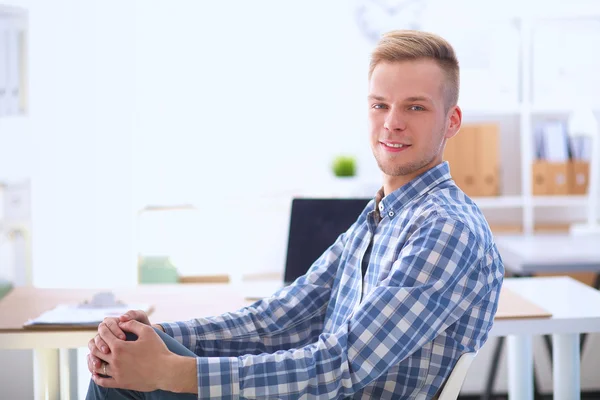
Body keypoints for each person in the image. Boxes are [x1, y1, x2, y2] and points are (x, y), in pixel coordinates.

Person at [86, 29, 504, 399]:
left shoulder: (445, 227)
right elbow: (275, 321)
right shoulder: (381, 216)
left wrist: (172, 370)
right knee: (120, 358)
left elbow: (342, 364)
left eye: (415, 107)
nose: (392, 123)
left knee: (122, 378)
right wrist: (153, 337)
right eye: (380, 105)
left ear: (452, 121)